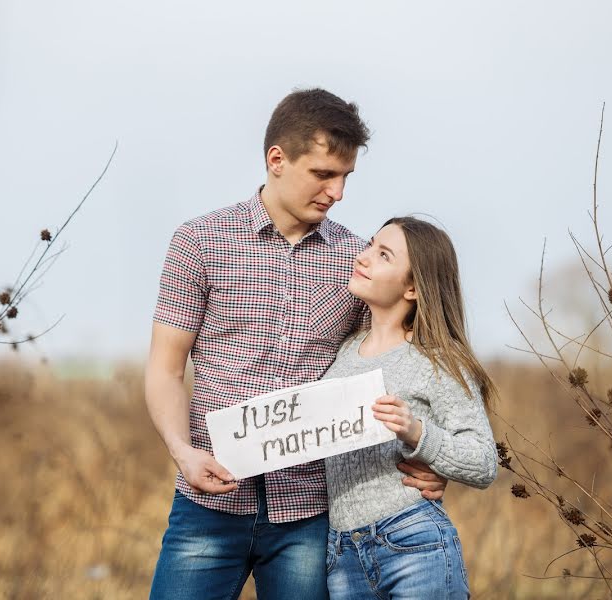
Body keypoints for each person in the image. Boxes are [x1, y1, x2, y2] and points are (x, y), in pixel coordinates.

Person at [145, 89, 448, 600]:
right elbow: (165, 368)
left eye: (346, 177)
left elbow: (401, 360)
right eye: (324, 174)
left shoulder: (358, 262)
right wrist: (182, 452)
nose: (338, 192)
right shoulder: (199, 241)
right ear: (277, 160)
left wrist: (433, 459)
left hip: (309, 511)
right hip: (207, 506)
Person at [323, 217, 498, 599]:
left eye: (383, 255)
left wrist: (418, 433)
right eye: (370, 245)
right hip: (342, 554)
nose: (364, 257)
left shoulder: (436, 360)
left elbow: (484, 462)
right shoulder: (344, 352)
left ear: (414, 288)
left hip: (412, 542)